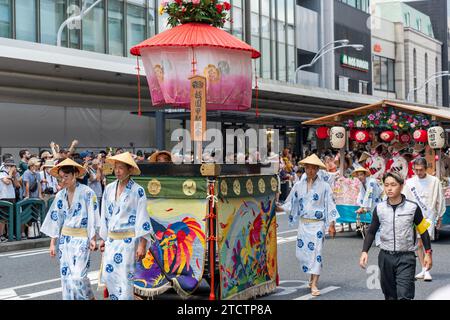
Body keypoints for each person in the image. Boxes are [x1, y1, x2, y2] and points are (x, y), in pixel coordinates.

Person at [360, 172, 432, 300]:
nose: (389, 188)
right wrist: (364, 251)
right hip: (385, 257)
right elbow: (371, 231)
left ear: (401, 186)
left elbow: (423, 230)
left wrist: (428, 252)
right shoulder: (379, 208)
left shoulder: (413, 207)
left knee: (404, 296)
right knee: (390, 296)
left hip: (406, 257)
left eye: (393, 185)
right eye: (386, 185)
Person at [277, 154, 339, 297]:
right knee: (303, 254)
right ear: (305, 168)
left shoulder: (324, 186)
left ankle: (315, 283)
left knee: (316, 254)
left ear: (317, 169)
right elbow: (290, 202)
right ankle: (311, 278)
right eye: (308, 168)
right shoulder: (299, 185)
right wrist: (278, 208)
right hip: (304, 224)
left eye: (313, 168)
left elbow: (330, 205)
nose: (310, 170)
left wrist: (331, 225)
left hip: (318, 225)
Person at [40, 159, 100, 300]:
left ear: (75, 175)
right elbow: (55, 219)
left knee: (79, 276)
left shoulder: (87, 193)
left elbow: (93, 216)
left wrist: (92, 238)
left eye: (66, 176)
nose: (63, 180)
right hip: (65, 241)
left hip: (81, 239)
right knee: (67, 279)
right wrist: (53, 243)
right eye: (61, 177)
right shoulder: (60, 195)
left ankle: (89, 298)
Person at [99, 152, 152, 300]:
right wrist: (103, 238)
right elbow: (104, 216)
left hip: (128, 243)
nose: (117, 171)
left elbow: (143, 219)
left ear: (129, 170)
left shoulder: (138, 191)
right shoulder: (109, 189)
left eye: (121, 168)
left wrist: (142, 245)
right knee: (109, 278)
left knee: (125, 281)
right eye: (116, 168)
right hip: (112, 241)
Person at [402, 158, 445, 282]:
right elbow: (405, 198)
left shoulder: (434, 181)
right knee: (418, 243)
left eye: (421, 170)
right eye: (416, 170)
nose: (418, 172)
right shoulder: (410, 182)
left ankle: (426, 270)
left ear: (426, 168)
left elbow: (440, 199)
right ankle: (423, 268)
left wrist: (440, 216)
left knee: (424, 242)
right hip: (414, 216)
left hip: (428, 215)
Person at [0, 159, 21, 242]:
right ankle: (1, 235)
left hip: (12, 197)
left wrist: (14, 175)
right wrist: (11, 173)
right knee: (2, 218)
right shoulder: (2, 172)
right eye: (12, 166)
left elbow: (17, 185)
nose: (13, 168)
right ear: (7, 166)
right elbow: (7, 182)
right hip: (4, 197)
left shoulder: (11, 174)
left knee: (10, 217)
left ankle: (9, 234)